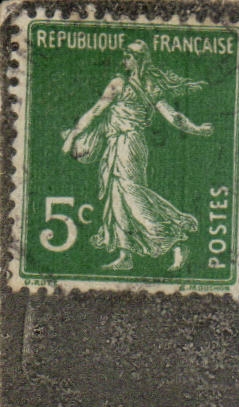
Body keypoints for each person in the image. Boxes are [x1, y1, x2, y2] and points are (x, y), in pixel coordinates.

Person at [60, 39, 213, 271]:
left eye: (128, 56)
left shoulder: (132, 85)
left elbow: (172, 116)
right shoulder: (127, 84)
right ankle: (125, 255)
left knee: (132, 197)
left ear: (138, 59)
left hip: (129, 145)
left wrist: (196, 129)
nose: (124, 60)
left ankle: (176, 242)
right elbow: (95, 111)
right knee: (117, 198)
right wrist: (73, 135)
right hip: (117, 145)